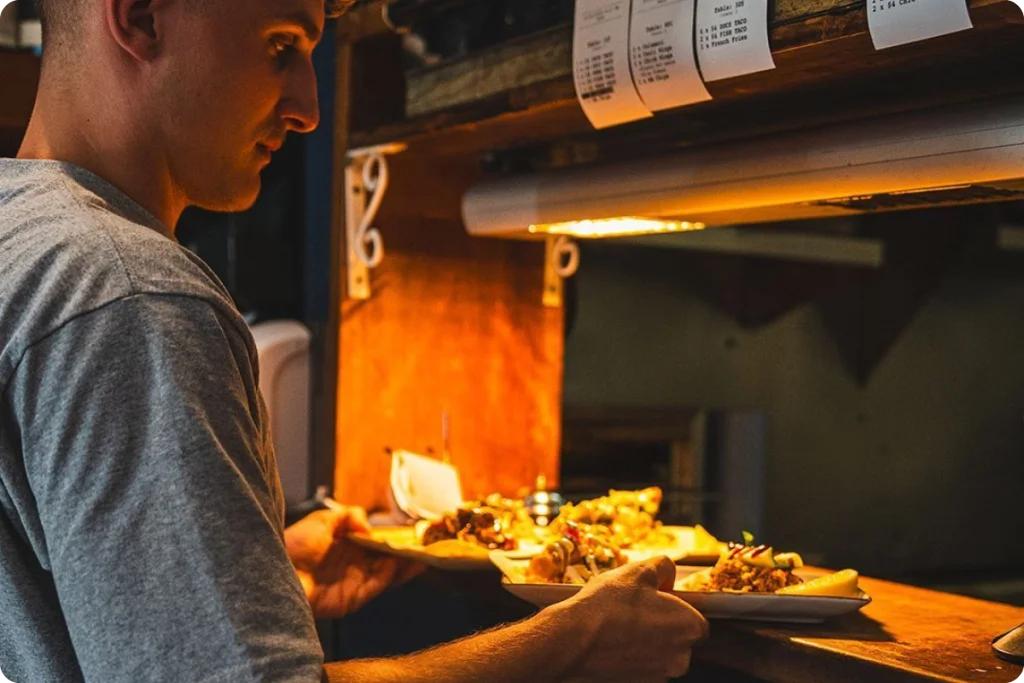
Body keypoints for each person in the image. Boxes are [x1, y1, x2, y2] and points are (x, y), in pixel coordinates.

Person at [0, 0, 709, 680]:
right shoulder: (131, 294)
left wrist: (252, 580)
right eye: (280, 47)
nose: (308, 108)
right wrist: (576, 640)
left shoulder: (21, 240)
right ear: (140, 16)